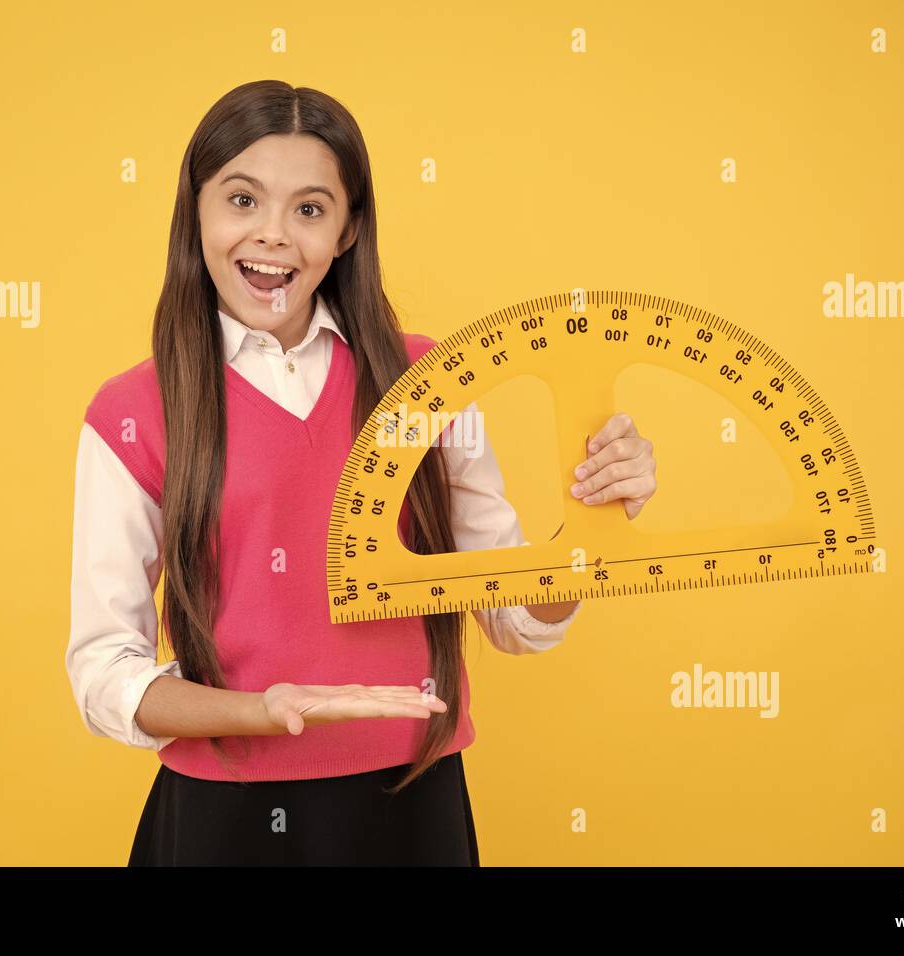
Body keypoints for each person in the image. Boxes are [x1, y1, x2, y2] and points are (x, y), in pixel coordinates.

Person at [66, 80, 653, 866]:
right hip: (223, 824)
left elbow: (514, 618)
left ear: (347, 231)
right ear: (196, 210)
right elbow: (106, 669)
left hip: (411, 813)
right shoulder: (133, 410)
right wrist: (265, 712)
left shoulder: (427, 380)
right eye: (242, 200)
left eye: (309, 209)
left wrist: (594, 522)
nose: (273, 236)